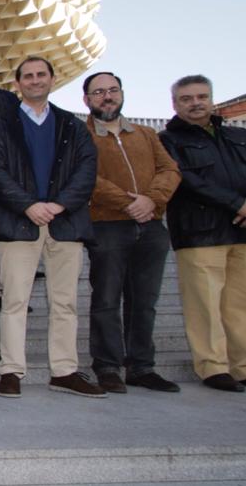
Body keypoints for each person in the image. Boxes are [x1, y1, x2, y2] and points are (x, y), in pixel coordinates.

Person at [159, 75, 246, 393]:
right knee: (204, 303)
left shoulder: (239, 135)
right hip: (200, 232)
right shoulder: (167, 140)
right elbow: (186, 179)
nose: (196, 103)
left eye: (201, 96)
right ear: (175, 104)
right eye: (187, 98)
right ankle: (213, 367)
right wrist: (238, 203)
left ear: (211, 99)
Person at [0, 57, 103, 399]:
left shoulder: (72, 125)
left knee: (65, 302)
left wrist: (59, 204)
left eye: (41, 75)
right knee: (15, 300)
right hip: (19, 222)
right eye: (28, 76)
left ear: (51, 79)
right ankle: (11, 369)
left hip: (65, 222)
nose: (35, 81)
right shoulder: (0, 125)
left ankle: (64, 370)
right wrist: (29, 205)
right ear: (17, 83)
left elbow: (86, 169)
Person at [80, 72, 182, 394]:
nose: (106, 97)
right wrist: (128, 202)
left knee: (144, 300)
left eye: (112, 90)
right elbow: (86, 178)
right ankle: (108, 366)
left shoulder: (146, 134)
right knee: (107, 299)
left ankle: (141, 366)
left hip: (150, 225)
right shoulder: (81, 137)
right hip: (107, 224)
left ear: (122, 94)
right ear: (87, 100)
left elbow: (169, 170)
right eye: (98, 92)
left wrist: (152, 200)